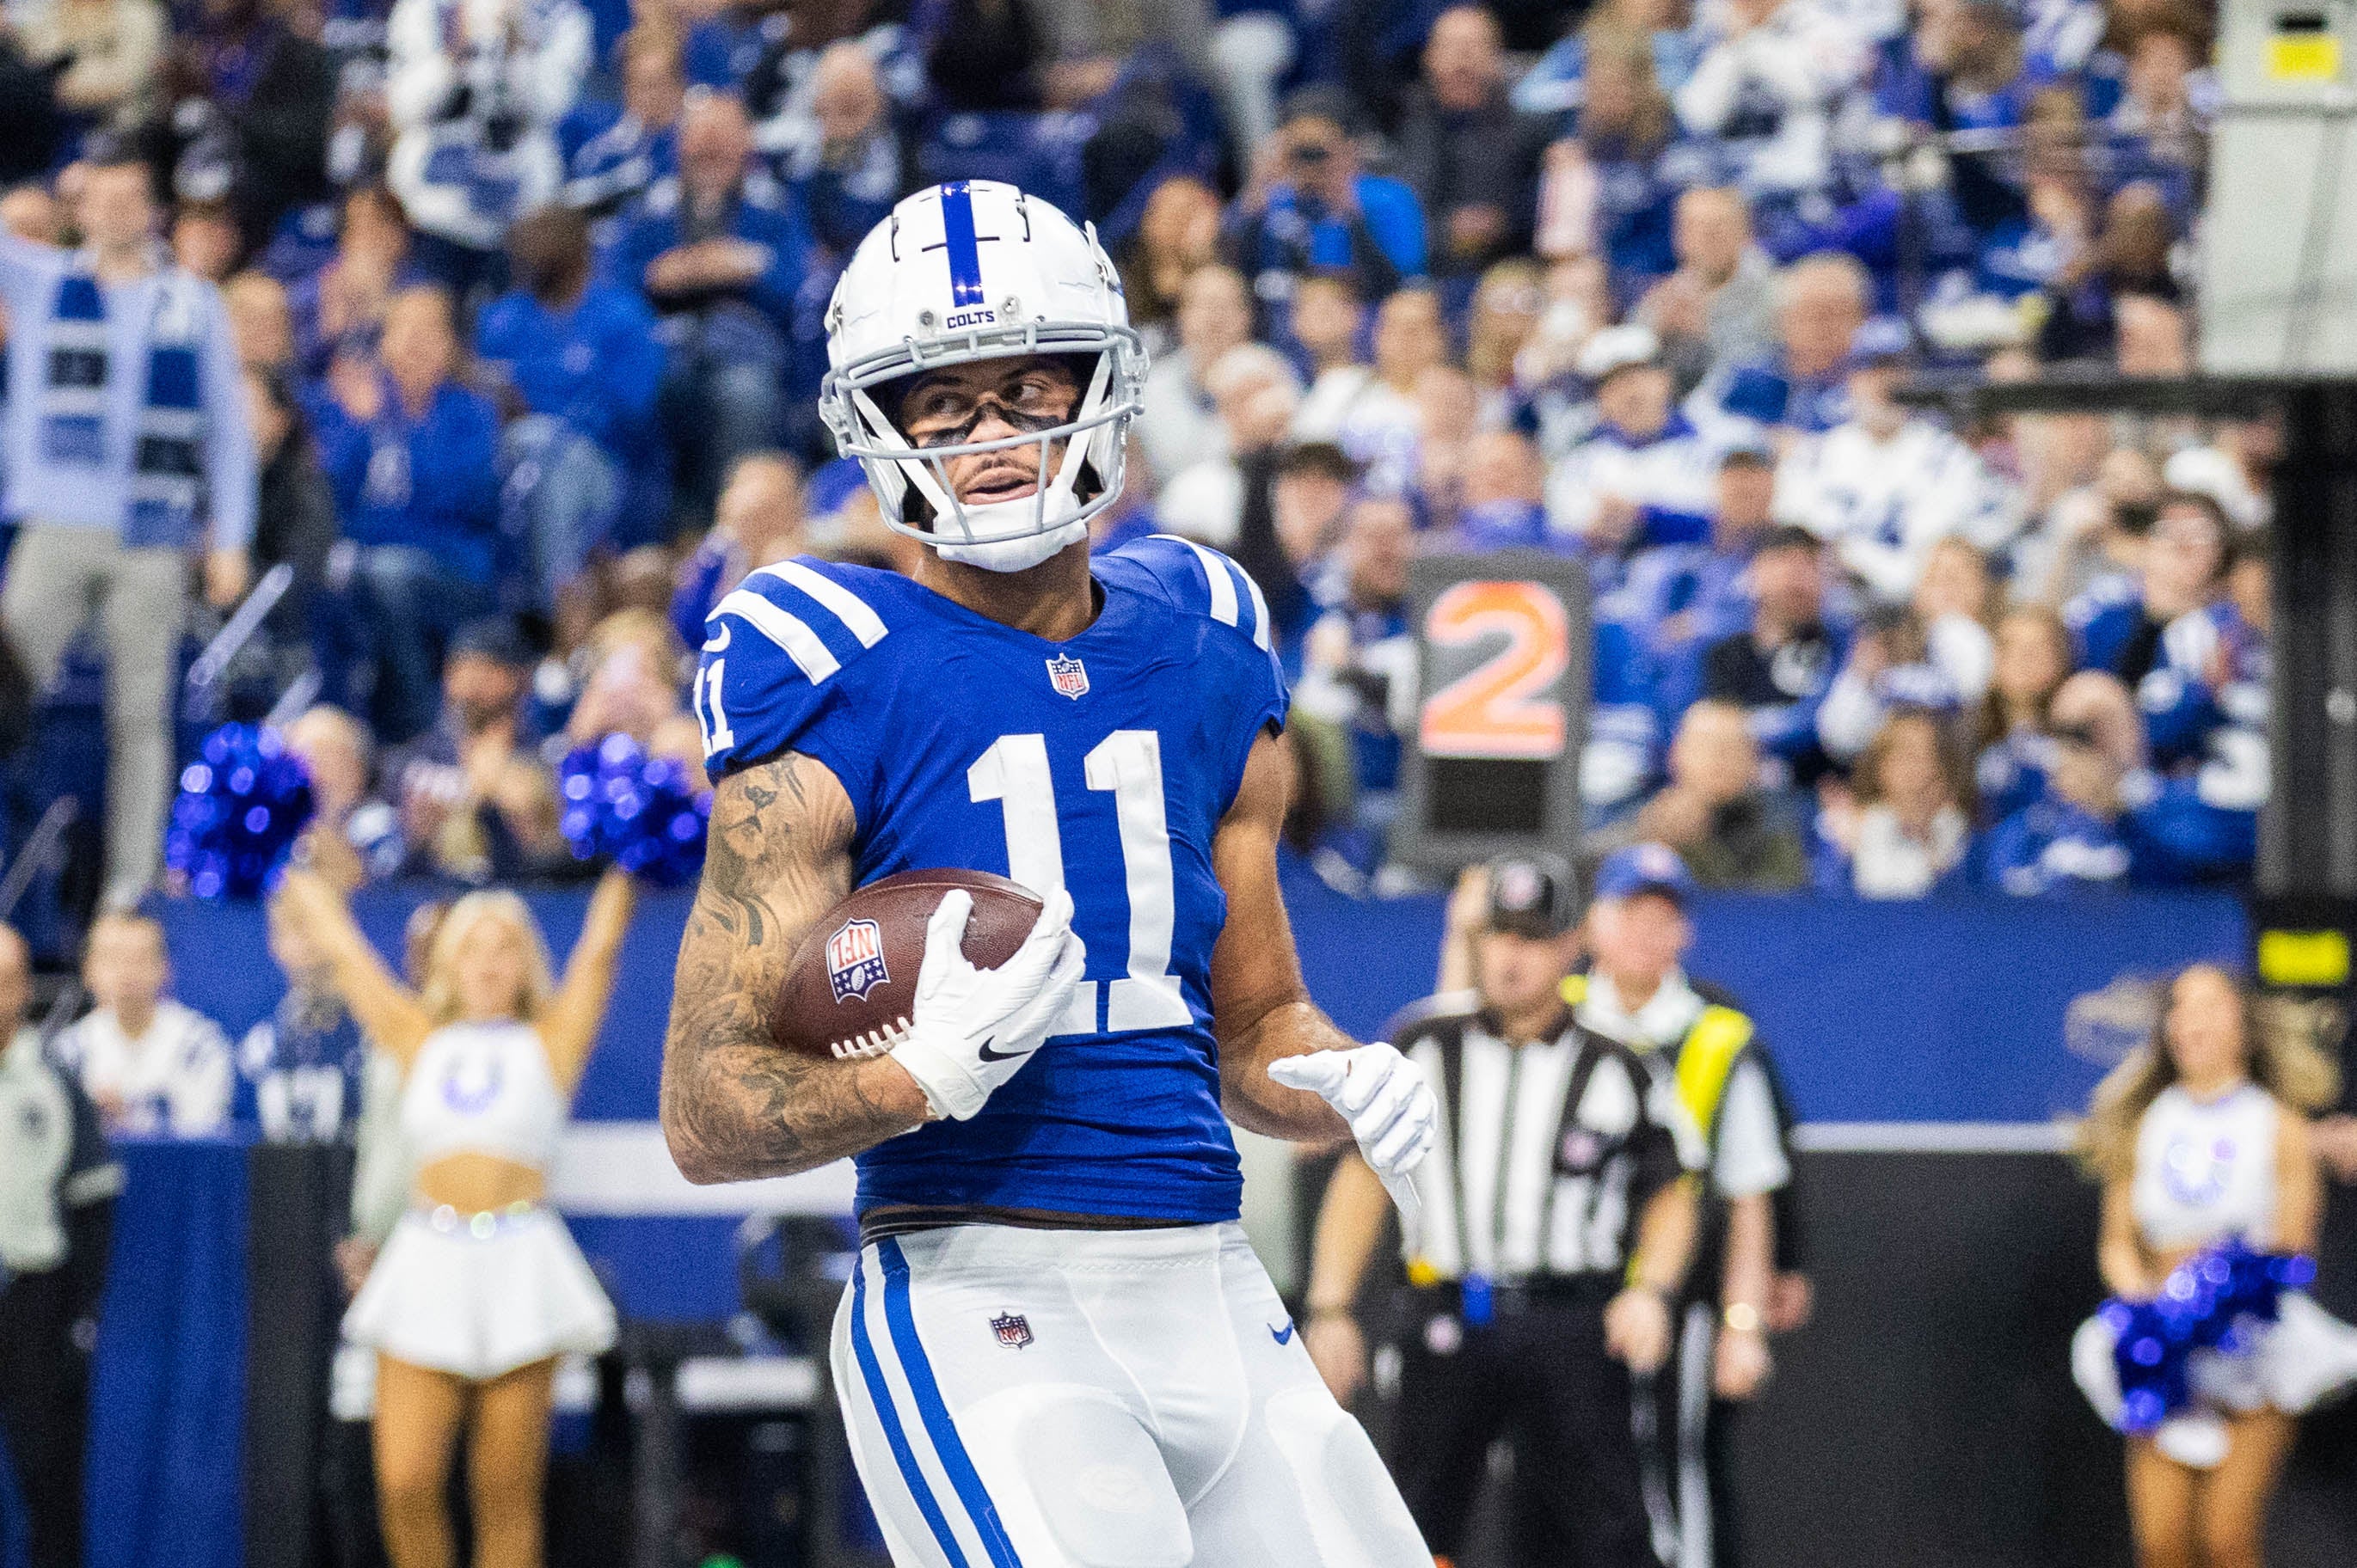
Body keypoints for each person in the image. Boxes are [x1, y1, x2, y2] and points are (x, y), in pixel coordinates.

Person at [660, 179, 1440, 1568]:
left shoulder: (1205, 631)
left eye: (1028, 385)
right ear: (874, 430)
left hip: (1216, 1285)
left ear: (1109, 385)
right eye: (941, 402)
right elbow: (708, 1103)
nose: (994, 435)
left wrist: (1340, 1083)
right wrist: (915, 1081)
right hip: (981, 1301)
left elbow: (1255, 1029)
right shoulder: (822, 649)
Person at [1302, 852, 1699, 1568]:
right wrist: (1329, 1308)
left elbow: (1670, 1189)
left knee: (1604, 1535)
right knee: (1415, 1531)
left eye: (1532, 938)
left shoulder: (1620, 1063)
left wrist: (1651, 1292)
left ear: (1569, 946)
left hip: (1570, 1322)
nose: (1511, 957)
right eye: (1499, 935)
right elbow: (1363, 1180)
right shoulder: (1420, 1042)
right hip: (1446, 1315)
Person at [273, 859, 637, 1568]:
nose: (489, 962)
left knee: (505, 1493)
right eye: (473, 945)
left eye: (505, 946)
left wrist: (628, 861)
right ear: (447, 958)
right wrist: (293, 857)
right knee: (405, 1483)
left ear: (526, 959)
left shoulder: (553, 1041)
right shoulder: (416, 1036)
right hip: (425, 1260)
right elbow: (347, 953)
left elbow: (598, 952)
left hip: (520, 1262)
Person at [0, 150, 257, 910]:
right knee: (3, 697)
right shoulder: (44, 281)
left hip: (152, 530)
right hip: (55, 523)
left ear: (152, 210)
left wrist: (231, 538)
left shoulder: (192, 302)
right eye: (101, 201)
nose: (116, 215)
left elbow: (229, 432)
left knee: (140, 717)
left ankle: (131, 889)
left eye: (130, 200)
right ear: (81, 210)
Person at [1565, 843, 1808, 1568]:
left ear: (1686, 933)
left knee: (1679, 1476)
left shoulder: (1719, 1034)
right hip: (1563, 1296)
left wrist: (1742, 1322)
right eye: (1628, 911)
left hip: (1683, 1302)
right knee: (1564, 1486)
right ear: (1591, 925)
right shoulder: (1550, 1014)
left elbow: (1750, 1188)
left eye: (1663, 915)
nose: (1645, 931)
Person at [2070, 964, 2357, 1559]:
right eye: (2180, 1006)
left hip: (2250, 1344)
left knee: (2225, 1540)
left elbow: (2292, 1245)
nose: (2192, 1019)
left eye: (2209, 1005)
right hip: (2161, 1350)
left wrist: (2215, 1297)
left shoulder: (2276, 1123)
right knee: (2163, 1544)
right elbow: (2116, 1241)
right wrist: (2151, 1312)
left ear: (2242, 1027)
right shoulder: (2144, 1122)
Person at [307, 285, 503, 743]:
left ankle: (422, 728)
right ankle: (342, 724)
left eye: (429, 329)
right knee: (329, 578)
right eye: (404, 329)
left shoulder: (471, 414)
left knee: (389, 572)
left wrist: (383, 524)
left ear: (451, 345)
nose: (415, 342)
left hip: (458, 569)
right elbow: (332, 501)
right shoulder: (356, 408)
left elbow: (464, 502)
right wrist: (360, 428)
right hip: (371, 562)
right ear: (385, 342)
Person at [608, 89, 813, 526]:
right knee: (634, 395)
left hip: (746, 346)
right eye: (699, 138)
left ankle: (730, 534)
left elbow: (802, 290)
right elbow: (614, 292)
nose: (709, 149)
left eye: (721, 138)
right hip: (663, 347)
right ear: (680, 146)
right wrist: (657, 277)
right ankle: (653, 540)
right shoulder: (647, 210)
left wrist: (751, 266)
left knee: (746, 397)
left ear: (746, 146)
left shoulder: (774, 207)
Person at [0, 923, 122, 1568]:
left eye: (7, 980)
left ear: (25, 989)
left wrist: (81, 1313)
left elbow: (94, 1204)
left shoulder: (55, 1080)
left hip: (33, 1297)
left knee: (50, 1476)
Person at [52, 911, 236, 1136]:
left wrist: (126, 1119)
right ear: (88, 970)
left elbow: (204, 1142)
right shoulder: (67, 1053)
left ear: (165, 969)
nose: (127, 973)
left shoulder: (200, 1045)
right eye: (113, 959)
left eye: (140, 959)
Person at [236, 891, 372, 1142]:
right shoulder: (257, 1049)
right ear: (274, 943)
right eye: (294, 929)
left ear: (346, 933)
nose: (310, 941)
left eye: (317, 924)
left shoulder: (377, 1042)